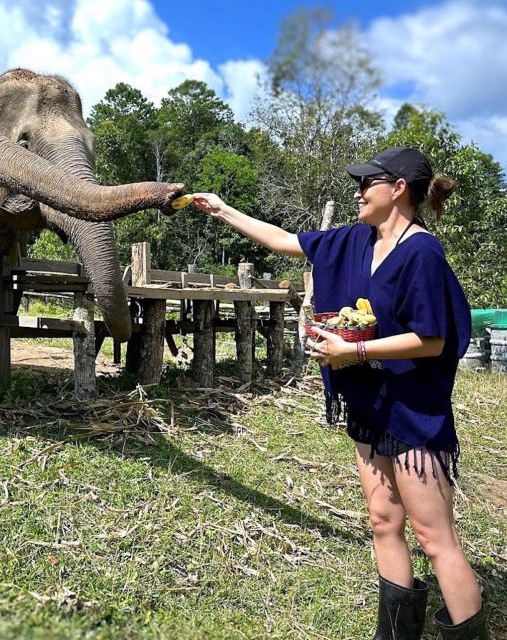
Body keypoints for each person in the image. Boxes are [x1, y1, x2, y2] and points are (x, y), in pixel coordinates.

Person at [192, 146, 488, 639]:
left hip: (414, 412)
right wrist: (222, 208)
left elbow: (432, 338)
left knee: (435, 539)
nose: (356, 191)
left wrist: (357, 353)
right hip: (370, 406)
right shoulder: (354, 241)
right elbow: (286, 241)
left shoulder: (422, 253)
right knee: (382, 521)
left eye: (367, 183)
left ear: (396, 190)